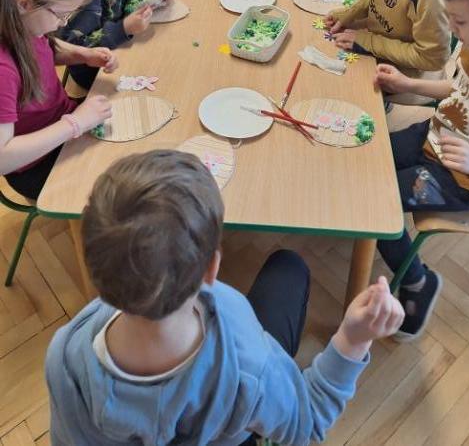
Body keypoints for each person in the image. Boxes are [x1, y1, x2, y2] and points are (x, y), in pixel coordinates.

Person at [45, 149, 404, 445]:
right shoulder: (249, 367)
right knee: (289, 267)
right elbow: (305, 424)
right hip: (238, 399)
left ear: (95, 267)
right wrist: (352, 340)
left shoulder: (65, 354)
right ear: (211, 269)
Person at [374, 0, 469, 339]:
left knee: (375, 204)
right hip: (433, 136)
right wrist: (409, 84)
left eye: (459, 21)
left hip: (461, 179)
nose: (451, 28)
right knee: (366, 162)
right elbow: (458, 87)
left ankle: (418, 281)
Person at [0, 0, 114, 200]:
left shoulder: (24, 22)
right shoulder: (3, 70)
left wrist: (82, 54)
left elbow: (44, 47)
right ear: (24, 4)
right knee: (117, 193)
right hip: (36, 163)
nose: (63, 23)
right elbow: (3, 159)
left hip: (62, 122)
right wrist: (75, 123)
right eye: (61, 15)